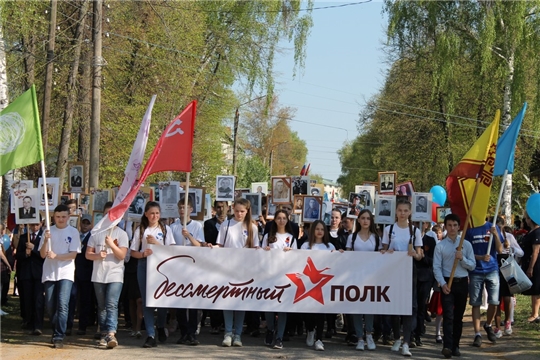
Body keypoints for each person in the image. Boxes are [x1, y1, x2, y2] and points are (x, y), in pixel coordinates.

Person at [210, 198, 259, 348]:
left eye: (242, 211)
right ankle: (228, 333)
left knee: (240, 302)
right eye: (237, 211)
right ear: (233, 210)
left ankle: (238, 334)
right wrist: (214, 248)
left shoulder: (252, 227)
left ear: (247, 211)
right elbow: (221, 244)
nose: (239, 214)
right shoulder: (226, 224)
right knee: (228, 301)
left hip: (244, 270)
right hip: (228, 268)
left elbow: (255, 248)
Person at [129, 201, 176, 348]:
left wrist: (156, 243)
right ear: (146, 214)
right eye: (152, 213)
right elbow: (133, 252)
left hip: (161, 266)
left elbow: (172, 251)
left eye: (157, 213)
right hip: (145, 265)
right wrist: (143, 254)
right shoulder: (141, 230)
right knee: (146, 300)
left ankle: (160, 325)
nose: (154, 216)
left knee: (161, 299)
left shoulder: (166, 229)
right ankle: (150, 334)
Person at [380, 199, 423, 357]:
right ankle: (397, 337)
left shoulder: (415, 231)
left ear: (410, 212)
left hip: (408, 270)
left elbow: (420, 255)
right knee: (394, 306)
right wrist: (386, 252)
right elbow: (382, 250)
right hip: (392, 270)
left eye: (405, 210)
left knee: (409, 307)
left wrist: (415, 254)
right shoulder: (389, 229)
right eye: (400, 210)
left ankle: (406, 341)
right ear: (396, 212)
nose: (402, 213)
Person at [433, 214, 476, 358]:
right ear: (445, 226)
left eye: (455, 225)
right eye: (449, 225)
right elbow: (436, 267)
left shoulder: (466, 244)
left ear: (459, 227)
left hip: (462, 283)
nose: (452, 228)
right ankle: (447, 346)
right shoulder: (440, 246)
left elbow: (472, 265)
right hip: (447, 284)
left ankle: (456, 345)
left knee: (458, 317)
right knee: (448, 316)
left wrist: (462, 258)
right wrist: (443, 284)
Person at [86, 203, 129, 349]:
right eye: (107, 214)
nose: (110, 217)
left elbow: (122, 255)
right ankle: (104, 333)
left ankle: (111, 333)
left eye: (113, 214)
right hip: (98, 275)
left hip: (115, 275)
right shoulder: (95, 233)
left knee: (112, 304)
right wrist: (97, 255)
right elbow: (88, 254)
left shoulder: (122, 234)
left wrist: (111, 245)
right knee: (102, 306)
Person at [39, 204, 81, 349]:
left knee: (63, 304)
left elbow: (73, 254)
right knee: (50, 306)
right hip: (50, 273)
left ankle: (59, 335)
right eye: (58, 217)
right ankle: (57, 327)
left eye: (63, 216)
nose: (61, 219)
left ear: (68, 217)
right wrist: (45, 241)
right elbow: (42, 254)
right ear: (53, 217)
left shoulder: (73, 232)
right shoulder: (48, 231)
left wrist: (57, 256)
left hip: (66, 272)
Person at [300, 220, 341, 351]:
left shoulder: (329, 246)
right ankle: (310, 331)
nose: (319, 231)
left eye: (322, 229)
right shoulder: (305, 246)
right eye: (317, 229)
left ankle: (319, 338)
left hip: (323, 285)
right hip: (308, 284)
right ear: (313, 231)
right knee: (309, 312)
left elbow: (335, 263)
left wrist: (339, 254)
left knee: (321, 312)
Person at [170, 197, 204, 345]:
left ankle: (192, 333)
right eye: (180, 208)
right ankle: (183, 332)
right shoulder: (173, 226)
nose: (182, 210)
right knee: (180, 302)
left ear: (191, 210)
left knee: (193, 302)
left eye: (185, 208)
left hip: (193, 267)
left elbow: (199, 245)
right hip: (178, 267)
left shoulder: (197, 225)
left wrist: (188, 235)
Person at [261, 209, 297, 349]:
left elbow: (297, 257)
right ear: (274, 220)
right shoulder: (268, 236)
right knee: (269, 306)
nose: (281, 220)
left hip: (285, 277)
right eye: (279, 218)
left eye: (284, 218)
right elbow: (259, 255)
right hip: (270, 276)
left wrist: (291, 253)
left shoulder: (291, 238)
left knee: (282, 308)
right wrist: (264, 251)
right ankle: (270, 330)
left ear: (287, 220)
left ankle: (279, 337)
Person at [465, 219, 503, 347]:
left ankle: (488, 324)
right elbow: (466, 252)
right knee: (476, 303)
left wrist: (496, 235)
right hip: (475, 271)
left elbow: (500, 249)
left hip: (492, 269)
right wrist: (480, 258)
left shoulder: (492, 227)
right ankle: (477, 334)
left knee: (494, 302)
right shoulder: (470, 229)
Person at [346, 209, 379, 351]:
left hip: (371, 277)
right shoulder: (352, 238)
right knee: (357, 307)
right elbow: (347, 256)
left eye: (368, 218)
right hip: (356, 277)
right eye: (363, 218)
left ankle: (369, 335)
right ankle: (360, 337)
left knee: (369, 307)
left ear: (371, 221)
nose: (365, 221)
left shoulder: (376, 238)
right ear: (358, 220)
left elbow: (380, 256)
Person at [494, 217, 523, 336]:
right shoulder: (491, 237)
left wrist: (510, 248)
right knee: (497, 297)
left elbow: (521, 252)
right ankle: (500, 325)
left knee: (504, 296)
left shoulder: (509, 237)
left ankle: (506, 322)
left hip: (506, 266)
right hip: (495, 266)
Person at [15, 222, 45, 335]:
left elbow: (45, 255)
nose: (34, 227)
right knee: (27, 299)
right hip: (26, 273)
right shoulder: (24, 237)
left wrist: (34, 249)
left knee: (38, 299)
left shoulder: (44, 236)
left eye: (37, 224)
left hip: (39, 273)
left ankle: (38, 325)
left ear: (41, 224)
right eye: (32, 225)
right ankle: (29, 321)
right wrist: (25, 254)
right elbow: (18, 255)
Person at [203, 201, 227, 334]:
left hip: (229, 263)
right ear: (214, 209)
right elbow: (209, 240)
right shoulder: (209, 224)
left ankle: (226, 322)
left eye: (223, 207)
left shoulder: (231, 223)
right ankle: (215, 323)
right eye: (218, 207)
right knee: (215, 292)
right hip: (213, 262)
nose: (221, 209)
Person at [521, 211, 540, 324]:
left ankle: (535, 313)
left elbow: (536, 251)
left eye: (527, 218)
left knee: (536, 289)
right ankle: (533, 312)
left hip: (536, 264)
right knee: (533, 288)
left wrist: (531, 267)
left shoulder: (537, 232)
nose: (526, 221)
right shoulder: (530, 232)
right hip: (527, 261)